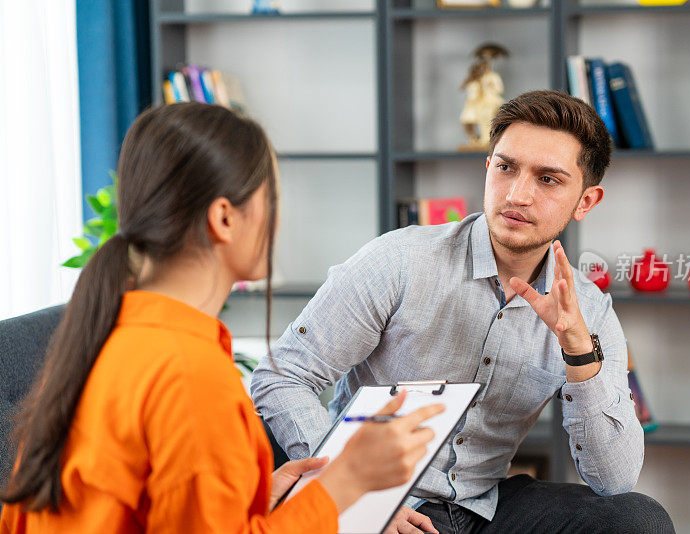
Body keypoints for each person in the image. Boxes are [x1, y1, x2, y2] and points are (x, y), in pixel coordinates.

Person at [0, 103, 443, 533]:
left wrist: (253, 503)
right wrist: (346, 481)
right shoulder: (190, 375)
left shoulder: (104, 336)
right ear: (225, 218)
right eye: (270, 198)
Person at [251, 90, 676, 533]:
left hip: (481, 507)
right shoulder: (399, 261)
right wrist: (353, 494)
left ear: (585, 201)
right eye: (506, 167)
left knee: (638, 520)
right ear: (488, 167)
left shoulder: (588, 309)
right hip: (373, 494)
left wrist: (577, 350)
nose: (517, 194)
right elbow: (282, 376)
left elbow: (615, 479)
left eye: (548, 179)